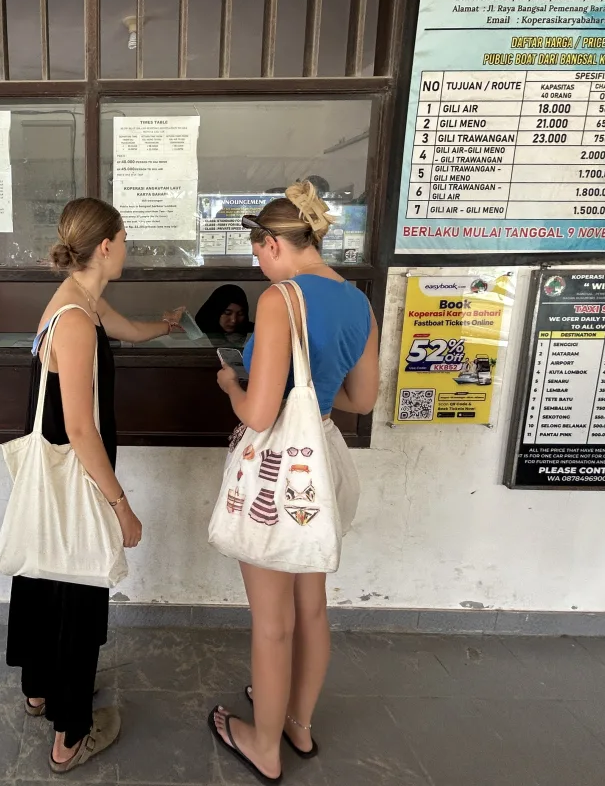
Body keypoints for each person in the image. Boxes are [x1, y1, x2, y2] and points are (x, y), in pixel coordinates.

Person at [207, 180, 380, 783]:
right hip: (322, 462)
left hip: (277, 471)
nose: (256, 262)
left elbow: (259, 414)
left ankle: (264, 747)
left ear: (276, 243)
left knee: (272, 621)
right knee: (311, 609)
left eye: (257, 249)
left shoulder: (281, 299)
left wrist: (232, 383)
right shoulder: (358, 300)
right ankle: (298, 726)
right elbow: (362, 398)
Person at [7, 197, 183, 774]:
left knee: (43, 581)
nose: (128, 247)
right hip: (80, 477)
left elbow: (127, 329)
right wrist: (121, 505)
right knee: (76, 600)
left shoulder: (77, 302)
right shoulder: (78, 321)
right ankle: (69, 734)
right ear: (106, 245)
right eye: (125, 238)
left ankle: (38, 691)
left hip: (53, 477)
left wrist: (166, 327)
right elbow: (81, 428)